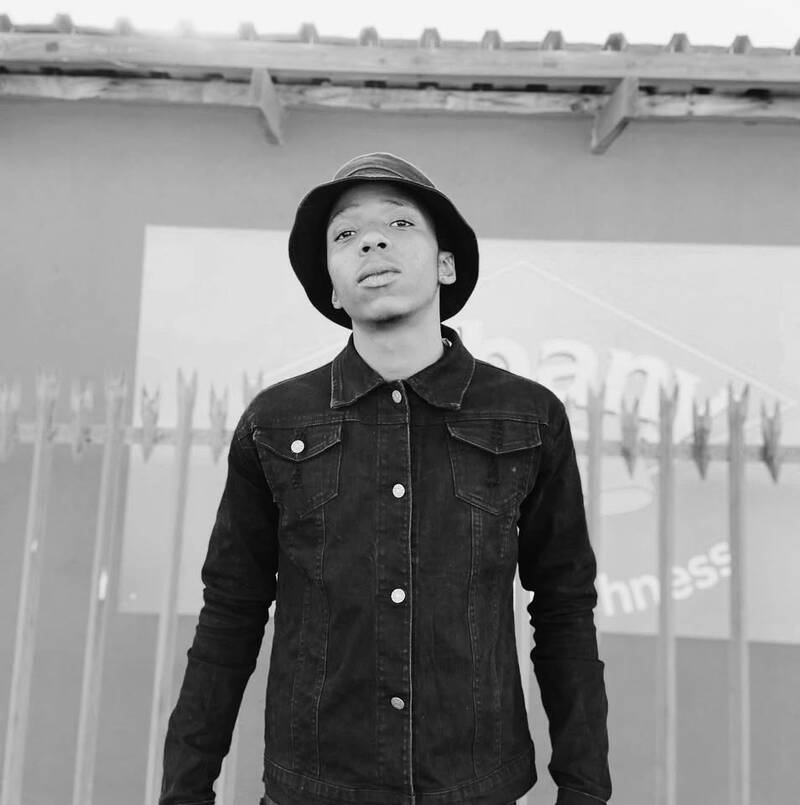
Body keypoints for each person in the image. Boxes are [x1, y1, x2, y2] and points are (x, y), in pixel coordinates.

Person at [159, 152, 612, 805]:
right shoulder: (274, 422)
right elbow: (232, 612)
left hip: (475, 787)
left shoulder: (528, 417)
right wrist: (184, 791)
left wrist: (585, 790)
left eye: (400, 224)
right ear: (332, 288)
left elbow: (565, 607)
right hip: (312, 789)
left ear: (446, 264)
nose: (372, 240)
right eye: (346, 233)